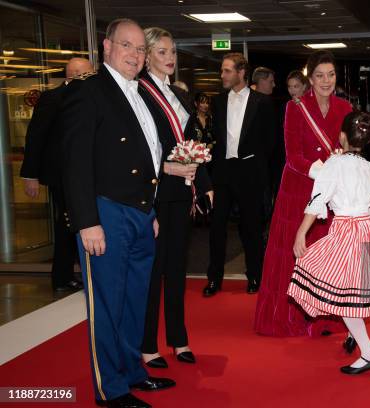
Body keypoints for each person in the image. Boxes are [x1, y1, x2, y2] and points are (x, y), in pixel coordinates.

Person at [61, 18, 174, 408]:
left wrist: (150, 207)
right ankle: (110, 389)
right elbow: (75, 163)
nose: (136, 55)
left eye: (141, 49)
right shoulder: (89, 92)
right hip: (105, 213)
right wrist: (87, 220)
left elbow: (145, 156)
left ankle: (131, 372)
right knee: (108, 303)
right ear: (106, 47)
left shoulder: (139, 92)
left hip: (140, 213)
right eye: (127, 46)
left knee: (133, 300)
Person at [254, 50, 353, 337]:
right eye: (320, 75)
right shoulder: (295, 108)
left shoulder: (344, 108)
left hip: (331, 194)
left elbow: (348, 147)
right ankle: (291, 315)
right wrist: (321, 170)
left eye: (331, 75)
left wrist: (343, 164)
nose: (326, 81)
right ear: (310, 78)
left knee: (324, 256)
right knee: (296, 254)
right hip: (299, 190)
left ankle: (324, 317)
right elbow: (292, 156)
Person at [287, 111, 370, 375]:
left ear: (342, 136)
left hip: (346, 230)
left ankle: (369, 354)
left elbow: (318, 200)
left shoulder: (334, 164)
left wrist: (301, 233)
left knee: (339, 293)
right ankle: (360, 342)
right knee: (349, 293)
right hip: (366, 230)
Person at [137, 27, 213, 369]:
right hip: (156, 193)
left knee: (178, 269)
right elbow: (142, 150)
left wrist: (205, 181)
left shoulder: (180, 95)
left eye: (173, 52)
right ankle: (148, 345)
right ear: (148, 54)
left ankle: (179, 339)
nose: (170, 58)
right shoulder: (139, 92)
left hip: (183, 192)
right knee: (154, 272)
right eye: (163, 51)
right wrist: (170, 169)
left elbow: (193, 143)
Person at [203, 52, 276, 297]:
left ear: (241, 72)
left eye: (227, 71)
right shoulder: (218, 101)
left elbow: (270, 143)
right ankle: (214, 279)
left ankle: (255, 275)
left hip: (250, 172)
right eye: (222, 70)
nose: (222, 75)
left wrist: (262, 173)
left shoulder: (262, 102)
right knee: (216, 228)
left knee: (251, 229)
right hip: (223, 172)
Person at [20, 57, 93, 292]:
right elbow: (36, 136)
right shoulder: (52, 98)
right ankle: (61, 276)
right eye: (88, 74)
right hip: (60, 175)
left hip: (83, 174)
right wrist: (29, 175)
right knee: (67, 223)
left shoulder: (91, 97)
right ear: (74, 74)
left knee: (75, 222)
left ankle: (71, 273)